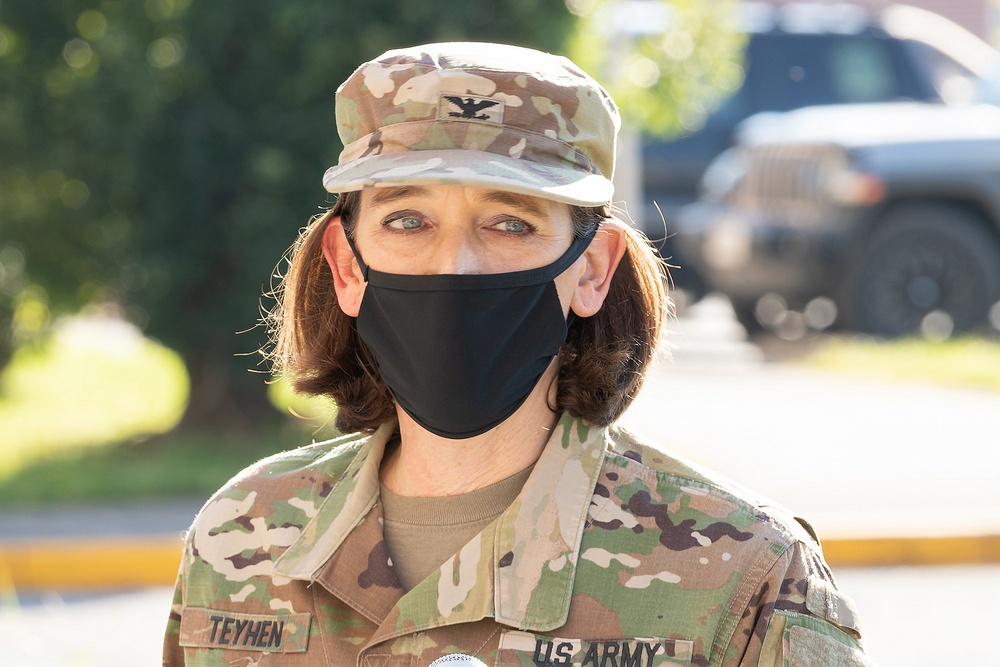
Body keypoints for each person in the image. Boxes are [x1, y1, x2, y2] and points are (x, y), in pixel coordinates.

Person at [163, 42, 872, 666]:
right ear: (347, 268)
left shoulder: (743, 574)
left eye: (510, 221)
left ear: (592, 269)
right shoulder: (240, 539)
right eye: (407, 220)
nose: (456, 265)